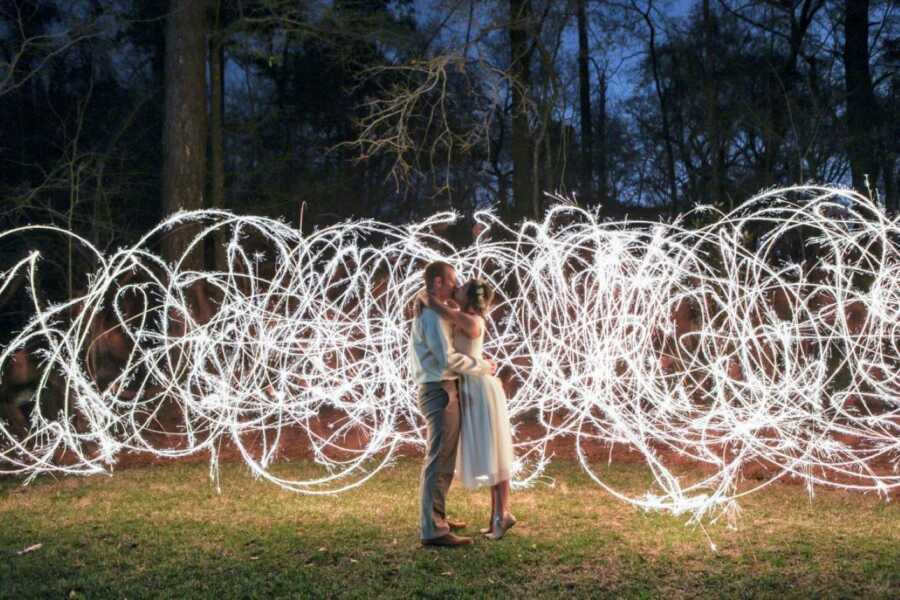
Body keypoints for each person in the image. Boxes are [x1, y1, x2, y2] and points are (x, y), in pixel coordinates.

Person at [419, 277, 517, 540]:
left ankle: (501, 514)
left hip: (480, 389)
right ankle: (498, 515)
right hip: (468, 388)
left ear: (471, 298)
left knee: (494, 452)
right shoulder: (460, 316)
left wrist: (427, 297)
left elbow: (441, 310)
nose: (455, 288)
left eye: (460, 288)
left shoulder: (472, 320)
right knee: (488, 452)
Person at [410, 261, 496, 548]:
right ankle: (433, 528)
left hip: (444, 387)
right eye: (451, 281)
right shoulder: (433, 317)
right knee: (439, 458)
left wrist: (426, 298)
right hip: (439, 388)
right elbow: (446, 359)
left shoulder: (434, 310)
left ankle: (438, 517)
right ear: (436, 282)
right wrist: (481, 365)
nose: (455, 286)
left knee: (444, 458)